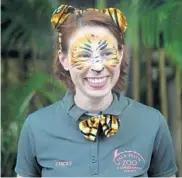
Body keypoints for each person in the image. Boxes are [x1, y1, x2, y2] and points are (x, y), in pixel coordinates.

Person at [15, 4, 178, 177]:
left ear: (121, 54)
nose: (98, 66)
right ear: (64, 60)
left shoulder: (151, 122)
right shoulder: (36, 127)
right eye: (84, 55)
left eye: (107, 53)